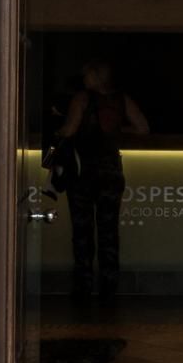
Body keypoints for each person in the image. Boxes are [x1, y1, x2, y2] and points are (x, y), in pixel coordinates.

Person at [57, 59, 146, 303]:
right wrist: (118, 132)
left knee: (83, 231)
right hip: (111, 172)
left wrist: (56, 130)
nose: (83, 77)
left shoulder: (82, 99)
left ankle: (84, 286)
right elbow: (142, 128)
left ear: (96, 76)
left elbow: (70, 130)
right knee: (109, 231)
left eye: (87, 73)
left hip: (84, 172)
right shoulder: (122, 99)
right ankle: (109, 287)